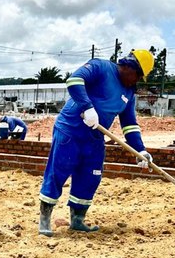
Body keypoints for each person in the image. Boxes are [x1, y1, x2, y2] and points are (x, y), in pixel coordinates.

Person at [38, 49, 155, 235]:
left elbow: (130, 125)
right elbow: (74, 81)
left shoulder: (129, 93)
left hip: (94, 139)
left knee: (90, 177)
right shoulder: (101, 67)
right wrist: (87, 107)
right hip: (70, 130)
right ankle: (44, 220)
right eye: (138, 74)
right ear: (128, 66)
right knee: (58, 172)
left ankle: (77, 220)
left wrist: (140, 150)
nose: (138, 80)